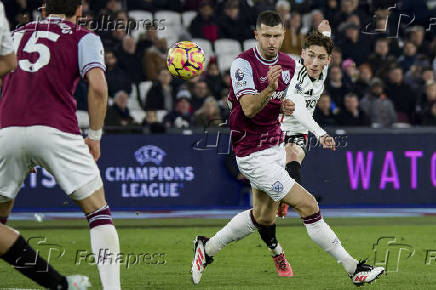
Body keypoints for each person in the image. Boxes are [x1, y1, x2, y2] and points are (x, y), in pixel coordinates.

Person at [191, 11, 384, 287]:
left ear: (284, 36)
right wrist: (271, 90)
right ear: (257, 35)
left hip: (274, 145)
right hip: (252, 153)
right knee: (309, 205)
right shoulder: (242, 64)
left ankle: (206, 248)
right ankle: (354, 268)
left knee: (262, 217)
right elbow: (247, 108)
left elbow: (292, 99)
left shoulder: (287, 63)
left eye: (277, 36)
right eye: (266, 35)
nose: (272, 41)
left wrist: (281, 104)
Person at [0, 1, 120, 289]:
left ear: (42, 9)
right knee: (98, 212)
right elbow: (99, 87)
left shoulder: (14, 34)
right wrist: (94, 135)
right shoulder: (84, 37)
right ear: (79, 10)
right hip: (56, 129)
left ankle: (56, 284)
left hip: (7, 130)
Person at [278, 21, 336, 217]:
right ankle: (282, 196)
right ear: (302, 54)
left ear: (328, 60)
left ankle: (288, 200)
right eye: (310, 56)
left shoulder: (322, 70)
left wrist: (325, 31)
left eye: (321, 58)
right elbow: (299, 110)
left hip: (297, 132)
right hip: (275, 130)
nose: (315, 63)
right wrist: (321, 134)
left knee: (293, 156)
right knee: (263, 213)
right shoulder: (295, 77)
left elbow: (325, 44)